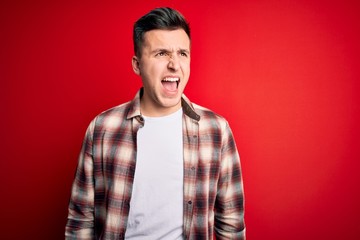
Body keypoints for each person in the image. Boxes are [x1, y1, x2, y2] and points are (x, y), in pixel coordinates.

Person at [65, 7, 245, 239]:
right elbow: (80, 220)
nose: (174, 64)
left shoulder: (216, 130)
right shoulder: (102, 129)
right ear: (137, 65)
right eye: (161, 53)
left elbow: (231, 223)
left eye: (182, 53)